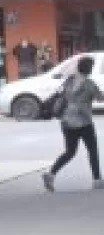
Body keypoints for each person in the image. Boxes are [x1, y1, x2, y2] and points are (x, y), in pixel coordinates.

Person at [42, 55, 102, 192]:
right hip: (84, 122)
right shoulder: (89, 84)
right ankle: (97, 180)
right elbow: (100, 97)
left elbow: (61, 95)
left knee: (70, 152)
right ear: (89, 69)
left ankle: (50, 174)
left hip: (67, 121)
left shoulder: (69, 81)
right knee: (92, 151)